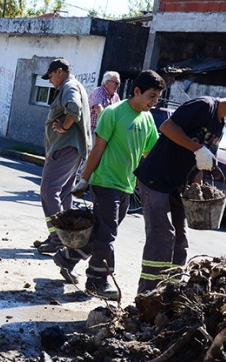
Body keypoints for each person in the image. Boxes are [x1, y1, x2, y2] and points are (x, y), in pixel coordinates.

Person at [134, 82, 226, 293]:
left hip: (178, 186)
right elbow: (167, 127)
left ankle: (170, 293)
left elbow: (199, 164)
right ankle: (146, 295)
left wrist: (197, 192)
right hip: (156, 179)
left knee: (180, 242)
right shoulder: (204, 106)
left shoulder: (219, 126)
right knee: (162, 236)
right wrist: (197, 148)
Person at [52, 70, 166, 300]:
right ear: (137, 91)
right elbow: (98, 148)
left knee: (102, 230)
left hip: (126, 185)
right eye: (151, 96)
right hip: (105, 183)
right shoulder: (113, 113)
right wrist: (84, 178)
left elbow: (149, 154)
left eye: (157, 98)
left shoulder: (147, 119)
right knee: (108, 233)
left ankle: (67, 257)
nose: (154, 103)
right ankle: (97, 279)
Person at [34, 58, 91, 253]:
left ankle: (57, 238)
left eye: (50, 76)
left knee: (48, 190)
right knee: (65, 193)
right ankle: (66, 238)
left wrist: (64, 126)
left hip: (65, 148)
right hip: (74, 149)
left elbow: (74, 109)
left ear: (59, 71)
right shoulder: (75, 86)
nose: (50, 81)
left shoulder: (69, 86)